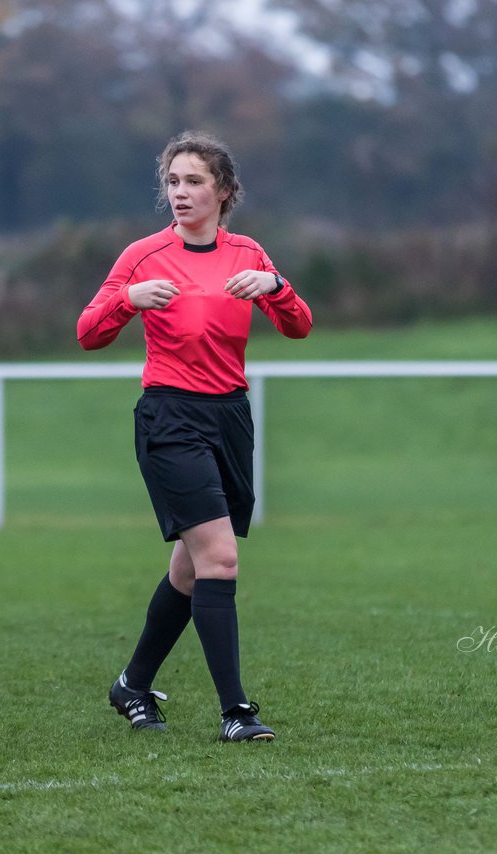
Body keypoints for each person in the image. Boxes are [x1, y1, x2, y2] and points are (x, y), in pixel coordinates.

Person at [78, 130, 313, 741]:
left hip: (230, 418)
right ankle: (237, 713)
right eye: (173, 182)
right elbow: (88, 333)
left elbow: (300, 327)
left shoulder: (249, 253)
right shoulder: (142, 255)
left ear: (224, 191)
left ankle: (132, 684)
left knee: (190, 570)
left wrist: (277, 288)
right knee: (221, 558)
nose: (180, 193)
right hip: (170, 418)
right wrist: (127, 299)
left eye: (194, 182)